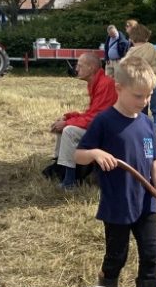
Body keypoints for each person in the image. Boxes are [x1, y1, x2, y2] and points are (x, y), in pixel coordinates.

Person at [75, 54, 156, 287]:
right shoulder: (105, 122)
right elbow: (78, 154)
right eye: (138, 96)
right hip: (118, 205)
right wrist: (96, 154)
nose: (145, 102)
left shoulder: (146, 123)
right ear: (119, 89)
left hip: (146, 204)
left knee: (151, 255)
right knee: (116, 257)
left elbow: (155, 163)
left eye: (149, 95)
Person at [49, 51, 118, 190]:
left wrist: (68, 123)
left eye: (80, 66)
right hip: (101, 125)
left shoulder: (105, 84)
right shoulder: (96, 82)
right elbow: (93, 113)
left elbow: (97, 118)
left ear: (91, 68)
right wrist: (69, 117)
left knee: (69, 131)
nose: (76, 69)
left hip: (108, 131)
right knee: (64, 128)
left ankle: (69, 182)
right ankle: (60, 168)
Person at [123, 23, 156, 140]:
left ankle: (143, 129)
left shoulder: (131, 52)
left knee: (141, 109)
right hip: (153, 83)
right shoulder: (152, 49)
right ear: (147, 37)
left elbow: (123, 68)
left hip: (137, 85)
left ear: (132, 38)